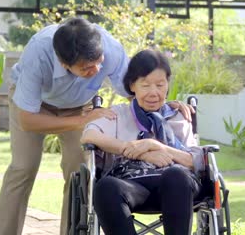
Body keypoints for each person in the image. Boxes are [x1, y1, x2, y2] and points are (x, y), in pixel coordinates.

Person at [0, 18, 192, 235]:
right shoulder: (39, 52)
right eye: (87, 68)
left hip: (79, 105)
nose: (96, 70)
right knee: (23, 167)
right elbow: (27, 120)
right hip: (33, 107)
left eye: (99, 62)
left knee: (80, 173)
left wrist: (162, 105)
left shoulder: (110, 48)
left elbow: (134, 90)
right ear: (64, 63)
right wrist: (81, 121)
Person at [81, 49, 204, 235]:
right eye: (145, 86)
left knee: (176, 175)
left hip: (177, 187)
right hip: (132, 185)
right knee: (105, 187)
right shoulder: (119, 114)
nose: (154, 93)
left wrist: (156, 145)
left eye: (160, 85)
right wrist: (132, 149)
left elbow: (193, 161)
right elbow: (88, 136)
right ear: (132, 86)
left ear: (167, 85)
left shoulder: (178, 116)